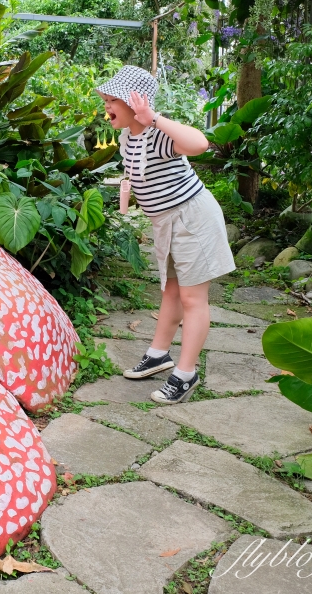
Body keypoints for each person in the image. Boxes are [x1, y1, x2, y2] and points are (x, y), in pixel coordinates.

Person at [95, 65, 236, 404]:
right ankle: (159, 355)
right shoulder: (129, 137)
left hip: (192, 220)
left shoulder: (158, 133)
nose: (106, 107)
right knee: (171, 291)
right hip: (166, 223)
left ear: (135, 102)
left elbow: (200, 143)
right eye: (106, 100)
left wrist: (154, 118)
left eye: (113, 100)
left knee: (193, 299)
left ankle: (186, 374)